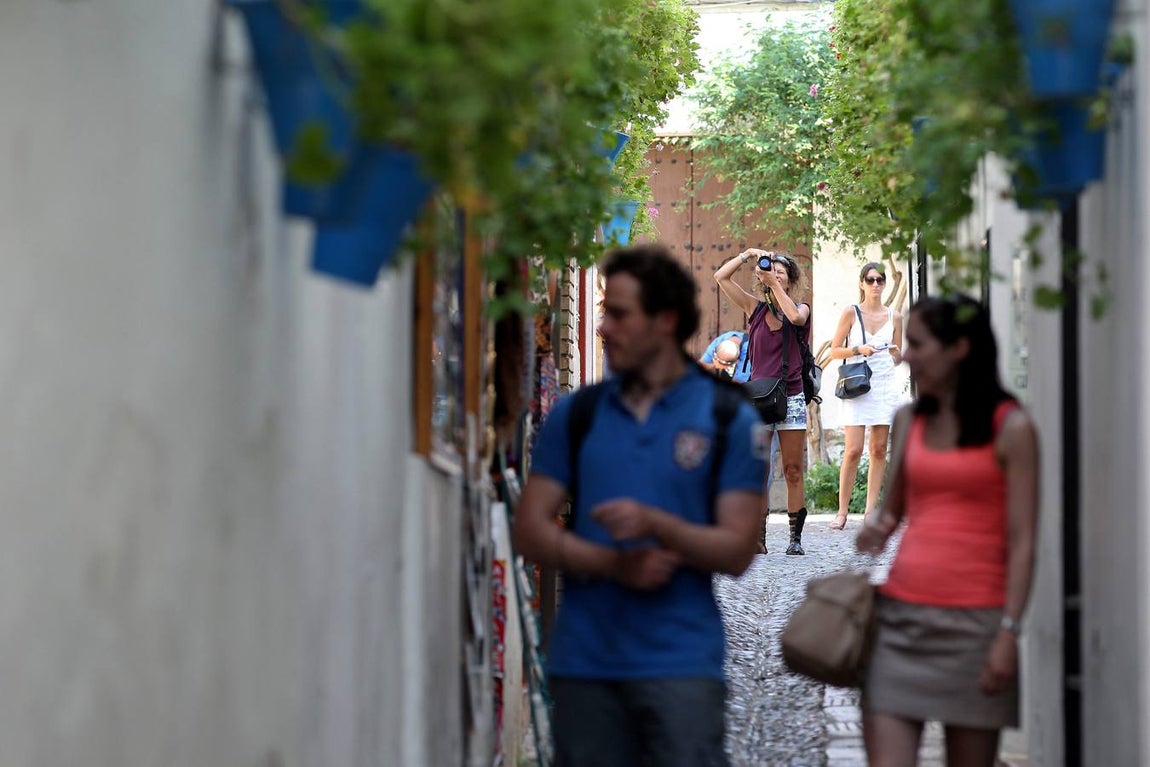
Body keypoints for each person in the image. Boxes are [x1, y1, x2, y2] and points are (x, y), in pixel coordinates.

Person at [513, 244, 767, 767]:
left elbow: (739, 550)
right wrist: (611, 562)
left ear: (665, 321)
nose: (604, 328)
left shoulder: (727, 419)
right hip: (585, 665)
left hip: (682, 665)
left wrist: (658, 524)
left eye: (619, 314)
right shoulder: (577, 415)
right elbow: (530, 529)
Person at [856, 295, 1040, 767]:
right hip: (901, 620)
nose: (906, 355)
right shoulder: (909, 420)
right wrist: (874, 530)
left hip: (977, 629)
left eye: (918, 344)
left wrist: (1009, 632)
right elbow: (891, 513)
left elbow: (1024, 541)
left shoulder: (1012, 428)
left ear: (959, 348)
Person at [714, 248, 812, 555]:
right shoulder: (754, 308)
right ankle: (758, 538)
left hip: (791, 396)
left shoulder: (801, 308)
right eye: (772, 271)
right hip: (759, 399)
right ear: (761, 276)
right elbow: (721, 277)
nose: (776, 275)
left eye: (782, 273)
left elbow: (794, 318)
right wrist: (746, 255)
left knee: (793, 468)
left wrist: (775, 286)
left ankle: (795, 539)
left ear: (790, 280)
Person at [828, 262, 904, 530]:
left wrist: (896, 353)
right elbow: (834, 351)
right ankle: (842, 512)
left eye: (880, 280)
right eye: (870, 280)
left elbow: (898, 358)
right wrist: (859, 349)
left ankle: (871, 511)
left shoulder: (895, 316)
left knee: (879, 449)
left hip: (884, 385)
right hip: (858, 385)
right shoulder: (851, 312)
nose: (875, 284)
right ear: (861, 283)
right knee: (853, 450)